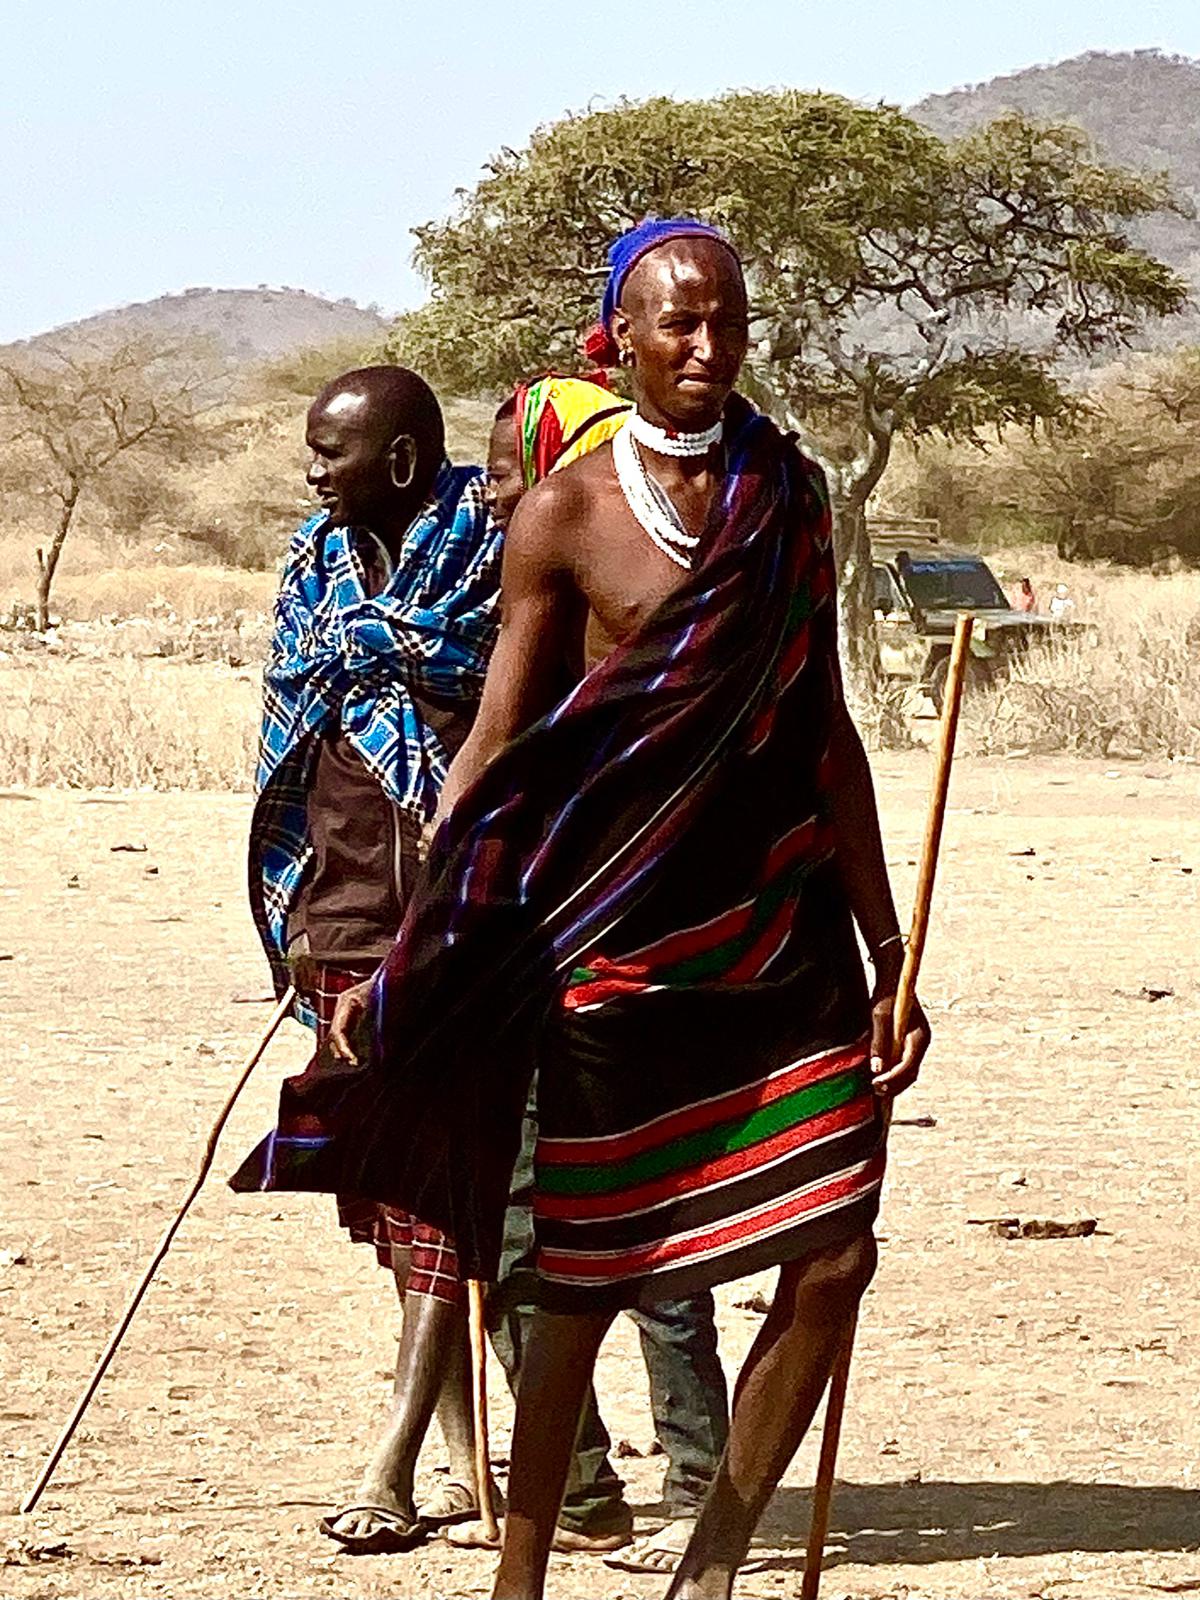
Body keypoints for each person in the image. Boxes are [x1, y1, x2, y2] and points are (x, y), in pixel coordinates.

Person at [257, 219, 930, 1600]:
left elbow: (826, 728)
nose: (707, 348)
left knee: (838, 1249)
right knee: (579, 1273)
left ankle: (717, 1565)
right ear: (619, 341)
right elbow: (499, 739)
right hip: (612, 942)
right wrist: (424, 950)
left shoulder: (788, 496)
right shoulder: (567, 513)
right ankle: (523, 1574)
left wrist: (887, 944)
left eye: (728, 321)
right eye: (678, 325)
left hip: (778, 934)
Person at [235, 365, 503, 1553]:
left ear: (398, 463)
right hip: (337, 911)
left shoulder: (497, 563)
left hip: (454, 923)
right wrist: (295, 926)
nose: (311, 473)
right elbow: (287, 760)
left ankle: (390, 1466)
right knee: (387, 1189)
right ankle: (461, 1462)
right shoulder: (314, 572)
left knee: (440, 1184)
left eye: (329, 453)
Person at [474, 375, 731, 1576]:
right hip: (537, 934)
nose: (497, 497)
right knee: (546, 1224)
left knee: (609, 1226)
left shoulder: (614, 583)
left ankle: (666, 1486)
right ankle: (584, 1486)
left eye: (509, 473)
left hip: (619, 936)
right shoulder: (523, 585)